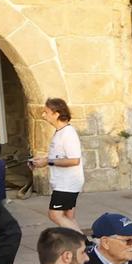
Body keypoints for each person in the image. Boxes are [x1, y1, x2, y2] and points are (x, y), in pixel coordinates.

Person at [32, 97, 83, 228]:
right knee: (68, 217)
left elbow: (74, 160)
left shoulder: (68, 133)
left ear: (57, 114)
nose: (43, 115)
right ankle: (79, 245)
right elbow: (58, 156)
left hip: (67, 183)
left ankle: (86, 245)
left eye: (46, 112)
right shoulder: (60, 132)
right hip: (64, 182)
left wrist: (48, 161)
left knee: (55, 215)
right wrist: (42, 160)